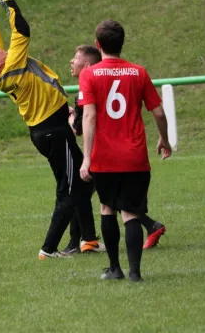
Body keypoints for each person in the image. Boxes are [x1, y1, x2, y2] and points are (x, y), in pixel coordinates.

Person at [0, 0, 105, 259]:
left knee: (83, 179)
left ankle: (87, 240)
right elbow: (21, 29)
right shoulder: (12, 65)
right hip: (53, 131)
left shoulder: (2, 64)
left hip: (47, 130)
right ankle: (48, 249)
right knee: (69, 189)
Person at [79, 20, 172, 282]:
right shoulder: (139, 72)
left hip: (105, 158)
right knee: (131, 212)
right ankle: (135, 273)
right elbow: (159, 111)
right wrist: (164, 139)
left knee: (107, 208)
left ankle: (114, 269)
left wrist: (86, 157)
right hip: (135, 157)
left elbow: (89, 117)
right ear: (122, 43)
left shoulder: (89, 74)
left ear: (98, 45)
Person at [64, 45, 166, 254]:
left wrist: (70, 115)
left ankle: (83, 244)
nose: (71, 62)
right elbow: (158, 112)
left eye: (75, 58)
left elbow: (80, 129)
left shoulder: (89, 84)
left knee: (99, 199)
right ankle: (85, 241)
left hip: (103, 153)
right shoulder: (131, 73)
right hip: (128, 151)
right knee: (107, 198)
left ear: (88, 65)